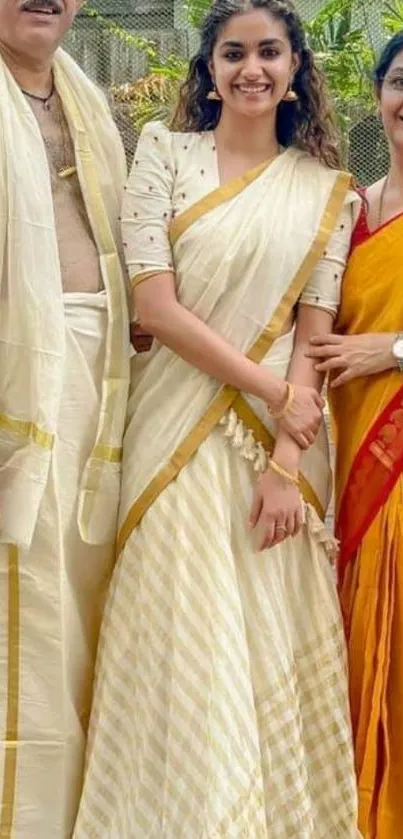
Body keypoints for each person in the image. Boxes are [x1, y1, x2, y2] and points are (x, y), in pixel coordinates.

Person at [74, 1, 361, 836]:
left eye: (268, 52)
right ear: (206, 71)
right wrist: (273, 395)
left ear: (295, 68)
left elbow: (315, 335)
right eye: (231, 53)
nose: (250, 69)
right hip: (174, 433)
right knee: (178, 639)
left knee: (266, 638)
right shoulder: (163, 154)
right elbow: (154, 307)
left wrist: (281, 463)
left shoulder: (325, 193)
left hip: (279, 459)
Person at [0, 1, 130, 837]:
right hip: (18, 380)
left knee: (87, 598)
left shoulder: (86, 97)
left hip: (103, 375)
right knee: (26, 606)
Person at [307, 30, 403, 839]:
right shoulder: (346, 206)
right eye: (401, 81)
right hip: (336, 458)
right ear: (377, 96)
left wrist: (393, 349)